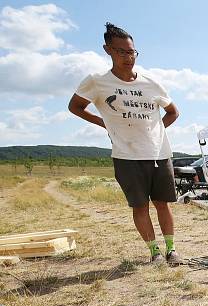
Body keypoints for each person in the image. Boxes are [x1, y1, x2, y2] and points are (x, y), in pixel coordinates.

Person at [68, 23, 181, 265]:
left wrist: (155, 130)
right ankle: (155, 253)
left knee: (163, 204)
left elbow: (173, 112)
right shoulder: (97, 81)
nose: (128, 57)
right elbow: (75, 107)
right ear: (107, 50)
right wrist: (104, 124)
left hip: (159, 153)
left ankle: (172, 250)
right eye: (121, 52)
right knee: (140, 206)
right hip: (127, 155)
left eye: (131, 52)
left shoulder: (151, 83)